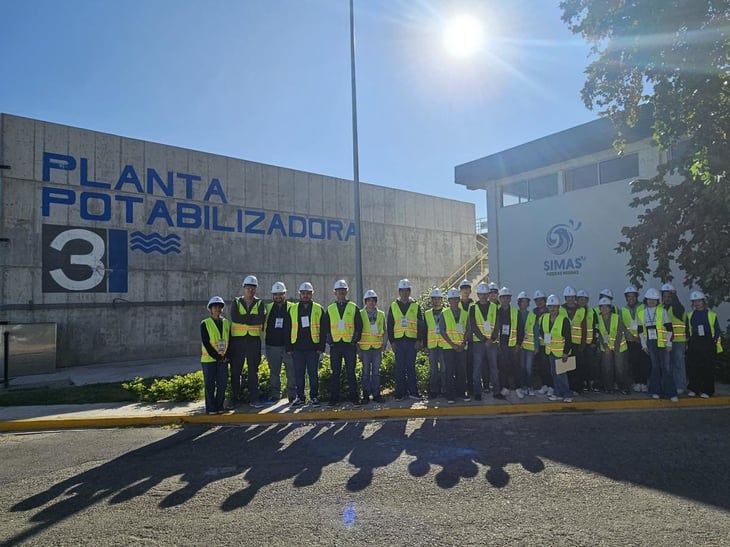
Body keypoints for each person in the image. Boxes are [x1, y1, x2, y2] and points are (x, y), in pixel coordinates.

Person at [287, 282, 326, 406]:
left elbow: (324, 329)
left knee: (313, 374)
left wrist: (321, 347)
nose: (305, 296)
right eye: (303, 293)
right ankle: (300, 397)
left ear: (312, 294)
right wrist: (289, 347)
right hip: (297, 348)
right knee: (299, 374)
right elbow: (287, 329)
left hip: (313, 348)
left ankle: (314, 397)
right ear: (299, 294)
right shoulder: (292, 309)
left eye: (308, 293)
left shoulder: (318, 308)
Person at [229, 275, 266, 408]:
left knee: (253, 371)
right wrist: (250, 318)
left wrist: (245, 318)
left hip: (253, 341)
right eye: (248, 288)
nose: (250, 290)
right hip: (237, 341)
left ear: (255, 290)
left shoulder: (260, 303)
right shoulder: (236, 302)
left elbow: (260, 319)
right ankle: (235, 399)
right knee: (235, 371)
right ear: (244, 288)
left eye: (252, 288)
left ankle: (254, 399)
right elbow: (235, 317)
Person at [325, 279, 363, 406]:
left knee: (351, 372)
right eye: (338, 290)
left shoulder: (353, 307)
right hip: (335, 345)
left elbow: (359, 325)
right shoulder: (330, 309)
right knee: (335, 372)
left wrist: (355, 340)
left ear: (347, 291)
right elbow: (326, 327)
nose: (341, 292)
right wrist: (329, 341)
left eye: (343, 290)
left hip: (349, 345)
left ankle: (354, 397)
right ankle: (334, 398)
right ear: (335, 292)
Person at [386, 279, 425, 401]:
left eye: (406, 290)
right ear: (399, 291)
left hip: (411, 342)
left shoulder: (415, 306)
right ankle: (400, 393)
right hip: (398, 342)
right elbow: (390, 325)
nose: (404, 293)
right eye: (402, 291)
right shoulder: (393, 306)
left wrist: (419, 340)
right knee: (400, 368)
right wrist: (391, 342)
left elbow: (421, 325)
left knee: (411, 367)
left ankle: (413, 392)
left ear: (409, 291)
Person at [637, 288, 678, 402]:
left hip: (663, 343)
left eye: (654, 300)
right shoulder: (641, 313)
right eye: (649, 299)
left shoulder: (662, 311)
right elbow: (640, 331)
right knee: (655, 367)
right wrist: (643, 345)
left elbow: (670, 328)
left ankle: (671, 393)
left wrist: (669, 343)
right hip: (651, 343)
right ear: (646, 300)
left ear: (657, 301)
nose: (652, 301)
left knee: (666, 367)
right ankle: (655, 391)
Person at [686, 291, 723, 398]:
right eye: (694, 301)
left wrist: (715, 343)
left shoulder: (711, 315)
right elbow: (687, 330)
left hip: (707, 342)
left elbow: (716, 331)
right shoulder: (690, 315)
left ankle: (707, 390)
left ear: (703, 302)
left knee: (707, 367)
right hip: (695, 341)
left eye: (699, 301)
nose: (697, 303)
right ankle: (694, 388)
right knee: (694, 367)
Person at [540, 294, 574, 403]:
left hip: (561, 352)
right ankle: (558, 393)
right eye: (550, 306)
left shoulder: (564, 320)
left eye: (554, 306)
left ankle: (567, 394)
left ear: (558, 307)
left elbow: (568, 338)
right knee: (554, 373)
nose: (552, 309)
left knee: (562, 374)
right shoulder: (544, 318)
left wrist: (566, 353)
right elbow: (542, 331)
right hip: (550, 351)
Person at [265, 281, 294, 403]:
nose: (278, 297)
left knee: (291, 373)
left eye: (280, 294)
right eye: (275, 294)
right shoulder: (268, 307)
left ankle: (292, 395)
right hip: (273, 346)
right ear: (273, 295)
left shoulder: (292, 307)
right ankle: (275, 394)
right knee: (274, 373)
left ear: (285, 294)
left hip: (288, 346)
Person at [200, 296, 230, 414]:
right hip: (209, 360)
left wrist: (226, 356)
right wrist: (218, 357)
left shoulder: (226, 323)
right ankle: (211, 408)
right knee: (210, 385)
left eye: (219, 307)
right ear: (210, 309)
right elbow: (206, 343)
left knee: (222, 384)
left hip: (223, 359)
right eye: (214, 307)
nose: (217, 309)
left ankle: (220, 406)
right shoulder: (205, 323)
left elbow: (229, 340)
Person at [439, 288, 470, 403]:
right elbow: (442, 331)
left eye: (456, 299)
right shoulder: (444, 313)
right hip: (449, 348)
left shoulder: (465, 314)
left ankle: (461, 393)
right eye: (451, 299)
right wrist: (452, 345)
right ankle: (450, 395)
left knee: (461, 371)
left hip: (462, 347)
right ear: (449, 301)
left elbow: (468, 329)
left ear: (458, 300)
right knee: (449, 371)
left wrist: (463, 343)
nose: (454, 301)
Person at [491, 287, 523, 398]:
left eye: (507, 297)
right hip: (501, 345)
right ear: (500, 299)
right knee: (503, 367)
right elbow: (493, 328)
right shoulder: (496, 311)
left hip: (513, 345)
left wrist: (519, 344)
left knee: (516, 367)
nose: (505, 299)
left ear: (510, 299)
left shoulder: (515, 312)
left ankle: (518, 388)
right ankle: (505, 388)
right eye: (503, 297)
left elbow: (520, 329)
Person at [469, 282, 499, 400]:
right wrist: (484, 339)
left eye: (485, 294)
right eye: (480, 294)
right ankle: (477, 392)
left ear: (488, 294)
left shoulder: (494, 307)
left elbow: (497, 324)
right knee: (477, 368)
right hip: (478, 342)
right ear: (477, 294)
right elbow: (473, 326)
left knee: (494, 367)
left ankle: (496, 391)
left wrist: (492, 339)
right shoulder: (473, 308)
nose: (483, 296)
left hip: (492, 342)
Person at [595, 297, 632, 393]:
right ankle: (608, 388)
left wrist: (615, 347)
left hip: (619, 346)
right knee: (607, 368)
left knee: (620, 368)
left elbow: (620, 332)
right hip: (605, 347)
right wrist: (606, 347)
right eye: (602, 307)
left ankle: (623, 387)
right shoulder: (598, 319)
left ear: (610, 308)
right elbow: (599, 334)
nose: (604, 309)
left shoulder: (617, 317)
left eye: (606, 307)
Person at [358, 289, 386, 403]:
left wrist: (384, 343)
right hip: (364, 348)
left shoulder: (381, 314)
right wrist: (357, 346)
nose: (371, 302)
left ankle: (376, 394)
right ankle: (365, 394)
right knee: (365, 372)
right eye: (369, 300)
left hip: (376, 348)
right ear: (365, 302)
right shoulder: (360, 314)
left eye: (373, 300)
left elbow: (384, 330)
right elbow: (358, 330)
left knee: (376, 372)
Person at [621, 285, 650, 393]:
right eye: (629, 296)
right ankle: (637, 382)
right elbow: (624, 326)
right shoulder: (623, 309)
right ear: (626, 298)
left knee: (644, 362)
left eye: (633, 296)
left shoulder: (643, 307)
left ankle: (644, 382)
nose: (631, 298)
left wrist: (641, 337)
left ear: (636, 297)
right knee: (634, 362)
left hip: (643, 340)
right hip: (631, 341)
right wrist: (631, 337)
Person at [660, 283, 688, 395]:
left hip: (678, 341)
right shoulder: (660, 308)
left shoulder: (678, 308)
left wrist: (674, 295)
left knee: (678, 364)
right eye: (664, 296)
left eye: (669, 296)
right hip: (665, 341)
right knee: (667, 365)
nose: (666, 299)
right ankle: (670, 385)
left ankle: (680, 385)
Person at [424, 288, 449, 399]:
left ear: (441, 300)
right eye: (434, 298)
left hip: (444, 345)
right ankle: (434, 391)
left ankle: (444, 390)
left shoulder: (447, 312)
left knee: (444, 369)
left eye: (438, 298)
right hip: (432, 345)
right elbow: (424, 330)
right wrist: (425, 345)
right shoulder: (427, 314)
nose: (436, 300)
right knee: (433, 370)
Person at [562, 286, 588, 394]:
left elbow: (584, 328)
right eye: (568, 297)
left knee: (578, 366)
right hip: (565, 343)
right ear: (565, 298)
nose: (570, 299)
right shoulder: (560, 309)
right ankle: (569, 387)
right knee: (566, 367)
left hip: (577, 344)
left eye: (572, 297)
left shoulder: (581, 310)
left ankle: (578, 388)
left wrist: (583, 343)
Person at [532, 290, 554, 396]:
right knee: (542, 366)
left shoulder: (551, 311)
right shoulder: (534, 312)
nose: (539, 302)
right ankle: (545, 385)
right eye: (537, 300)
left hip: (550, 344)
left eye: (541, 300)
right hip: (539, 345)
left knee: (550, 366)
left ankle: (551, 386)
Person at [577, 289, 599, 391]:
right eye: (580, 299)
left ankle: (592, 382)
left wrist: (594, 341)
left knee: (591, 364)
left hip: (590, 344)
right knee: (581, 364)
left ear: (587, 300)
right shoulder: (575, 312)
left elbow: (596, 327)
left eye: (584, 299)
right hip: (578, 343)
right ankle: (583, 382)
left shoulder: (592, 312)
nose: (582, 301)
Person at [517, 291, 537, 396]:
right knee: (522, 367)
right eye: (522, 301)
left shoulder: (532, 315)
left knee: (529, 368)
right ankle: (523, 386)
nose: (524, 303)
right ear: (519, 303)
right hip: (519, 346)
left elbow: (536, 331)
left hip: (530, 346)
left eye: (526, 302)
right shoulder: (515, 314)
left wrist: (536, 346)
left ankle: (530, 386)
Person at [458, 279, 474, 394]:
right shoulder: (455, 304)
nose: (465, 291)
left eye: (467, 289)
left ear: (470, 290)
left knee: (471, 364)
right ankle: (461, 387)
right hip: (459, 340)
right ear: (460, 291)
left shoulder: (474, 305)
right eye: (463, 289)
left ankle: (471, 387)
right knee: (460, 365)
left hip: (473, 339)